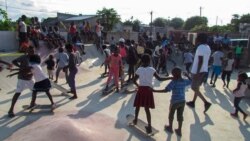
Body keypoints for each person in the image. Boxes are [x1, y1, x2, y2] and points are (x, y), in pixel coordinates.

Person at [133, 54, 172, 134]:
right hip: (148, 90)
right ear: (149, 61)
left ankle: (135, 119)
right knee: (147, 109)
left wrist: (138, 86)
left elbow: (134, 80)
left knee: (137, 106)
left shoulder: (139, 69)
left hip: (141, 90)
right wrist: (170, 77)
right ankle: (149, 126)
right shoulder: (152, 69)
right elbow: (160, 79)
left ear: (142, 61)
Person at [153, 67, 191, 136]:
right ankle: (179, 130)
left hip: (174, 102)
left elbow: (166, 90)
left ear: (174, 75)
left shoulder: (174, 82)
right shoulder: (184, 81)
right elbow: (191, 81)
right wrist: (188, 75)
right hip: (182, 101)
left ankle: (170, 127)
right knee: (180, 116)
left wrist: (155, 91)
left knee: (171, 114)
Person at [186, 33, 212, 113]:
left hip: (198, 71)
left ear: (199, 39)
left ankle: (206, 102)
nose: (195, 39)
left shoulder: (200, 47)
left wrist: (197, 73)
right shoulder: (207, 47)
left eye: (196, 38)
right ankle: (193, 102)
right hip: (203, 70)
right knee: (197, 88)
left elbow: (200, 60)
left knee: (193, 87)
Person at [8, 46, 35, 118]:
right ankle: (10, 110)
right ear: (28, 51)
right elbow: (14, 61)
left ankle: (32, 104)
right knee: (18, 93)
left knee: (34, 91)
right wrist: (20, 66)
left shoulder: (34, 58)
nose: (32, 52)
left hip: (30, 78)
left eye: (33, 51)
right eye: (30, 51)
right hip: (22, 79)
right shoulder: (23, 57)